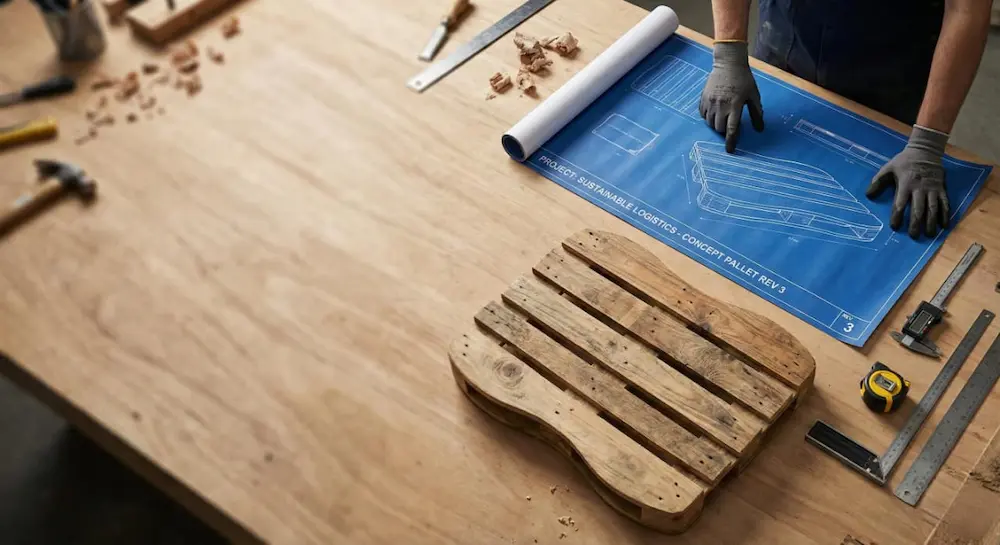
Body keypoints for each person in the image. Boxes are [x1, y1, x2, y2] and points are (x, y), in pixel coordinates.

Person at [701, 0, 993, 239]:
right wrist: (728, 51)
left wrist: (928, 143)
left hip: (890, 66)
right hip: (787, 35)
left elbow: (967, 9)